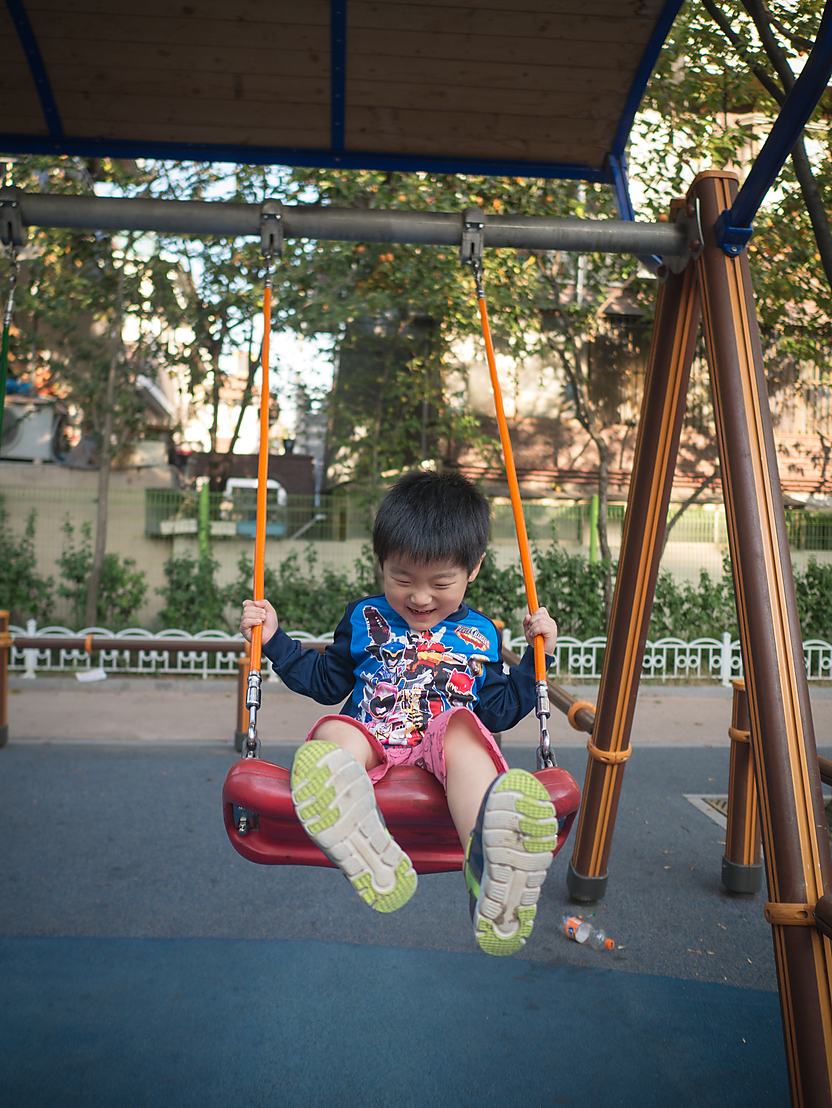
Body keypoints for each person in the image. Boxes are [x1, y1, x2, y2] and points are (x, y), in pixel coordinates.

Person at [240, 470, 559, 956]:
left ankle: (491, 863)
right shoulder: (363, 618)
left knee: (463, 729)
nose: (420, 597)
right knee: (334, 732)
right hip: (373, 740)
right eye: (402, 579)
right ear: (382, 564)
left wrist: (538, 659)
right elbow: (326, 682)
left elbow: (497, 710)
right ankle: (359, 833)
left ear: (473, 568)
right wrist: (275, 640)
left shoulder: (481, 634)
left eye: (441, 582)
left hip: (442, 750)